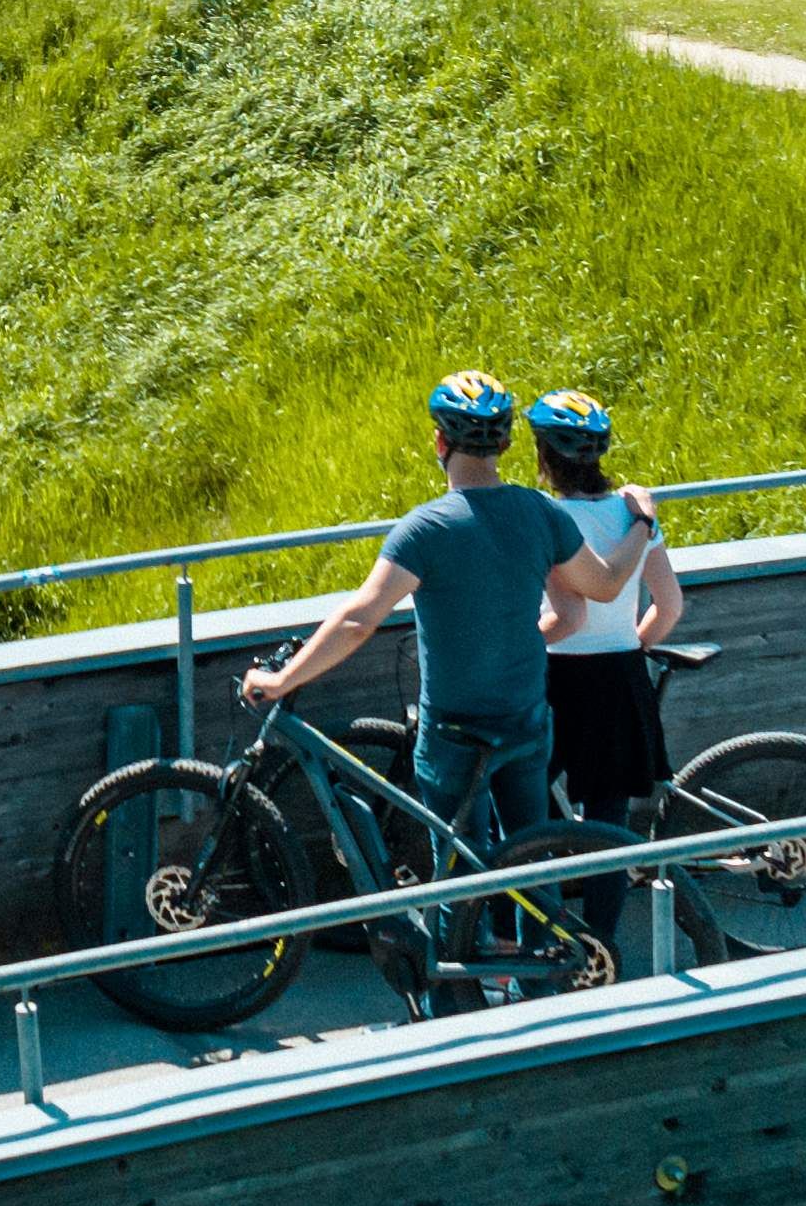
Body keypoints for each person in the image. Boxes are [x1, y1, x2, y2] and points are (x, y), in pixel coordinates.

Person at [238, 371, 662, 869]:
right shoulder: (539, 512)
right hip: (524, 718)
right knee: (531, 855)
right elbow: (604, 585)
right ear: (504, 444)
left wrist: (283, 679)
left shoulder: (424, 528)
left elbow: (358, 620)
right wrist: (642, 522)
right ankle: (537, 918)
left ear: (440, 442)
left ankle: (466, 922)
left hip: (454, 728)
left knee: (458, 870)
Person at [526, 389, 682, 837]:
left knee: (525, 805)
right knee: (609, 826)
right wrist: (632, 647)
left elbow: (561, 614)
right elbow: (669, 605)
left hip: (554, 676)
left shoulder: (546, 517)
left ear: (544, 455)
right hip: (619, 676)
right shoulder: (635, 516)